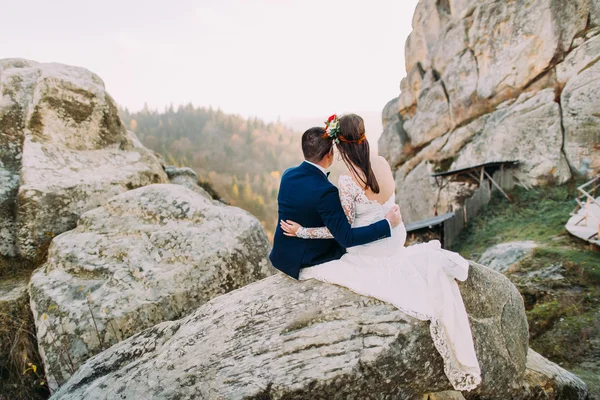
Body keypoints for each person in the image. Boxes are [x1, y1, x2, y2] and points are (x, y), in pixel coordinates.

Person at [279, 114, 482, 392]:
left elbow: (343, 234)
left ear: (340, 147)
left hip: (374, 246)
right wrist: (387, 222)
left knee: (342, 258)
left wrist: (302, 231)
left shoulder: (347, 182)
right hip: (397, 236)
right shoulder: (383, 163)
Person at [269, 124, 403, 280]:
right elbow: (346, 237)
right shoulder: (327, 192)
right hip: (306, 258)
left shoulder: (288, 174)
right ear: (329, 154)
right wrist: (387, 223)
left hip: (282, 254)